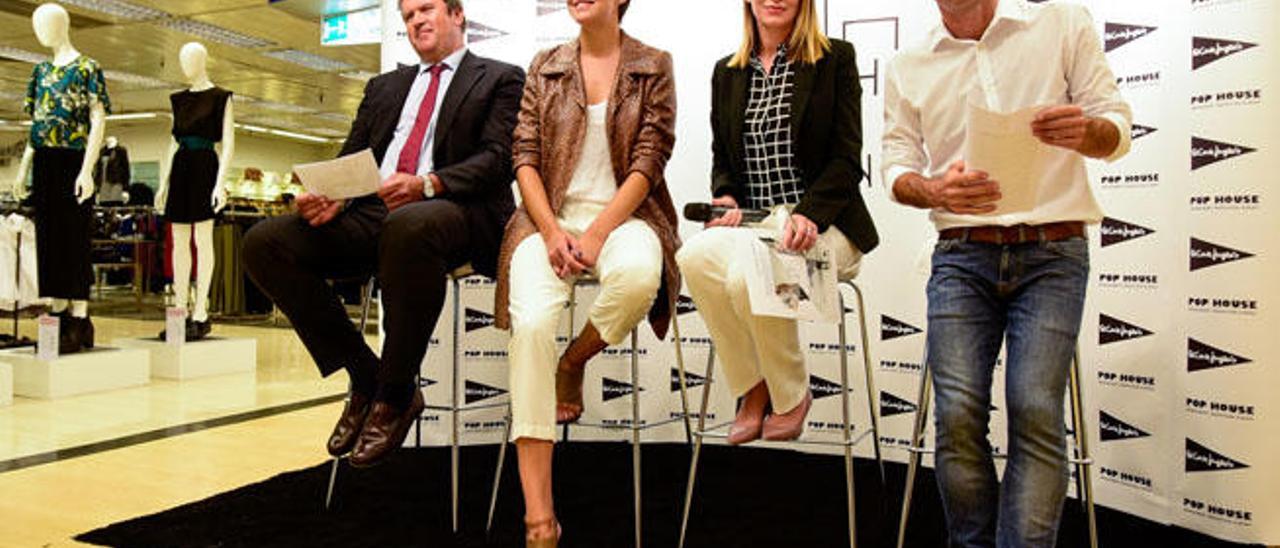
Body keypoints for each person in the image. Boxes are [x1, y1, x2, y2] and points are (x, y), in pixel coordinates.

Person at [881, 0, 1131, 545]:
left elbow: (1116, 127)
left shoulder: (1061, 22)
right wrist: (931, 189)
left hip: (1053, 252)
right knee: (958, 414)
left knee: (1035, 406)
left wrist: (1086, 133)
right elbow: (896, 164)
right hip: (960, 254)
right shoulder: (908, 62)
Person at [242, 0, 524, 468]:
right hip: (375, 214)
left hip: (456, 210)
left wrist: (428, 184)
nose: (417, 21)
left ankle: (393, 395)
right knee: (263, 242)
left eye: (427, 9)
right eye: (409, 15)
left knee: (409, 225)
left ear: (458, 16)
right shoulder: (384, 87)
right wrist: (329, 196)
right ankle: (366, 375)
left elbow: (498, 161)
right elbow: (349, 159)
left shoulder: (499, 77)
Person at [492, 0, 678, 544]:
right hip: (545, 222)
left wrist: (596, 233)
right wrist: (551, 231)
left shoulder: (653, 63)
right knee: (529, 329)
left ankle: (573, 360)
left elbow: (650, 159)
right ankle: (539, 515)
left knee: (642, 276)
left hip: (624, 219)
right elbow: (523, 156)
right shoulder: (545, 63)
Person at [676, 0, 878, 445]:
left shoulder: (834, 59)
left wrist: (810, 213)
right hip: (757, 223)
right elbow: (723, 157)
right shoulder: (728, 71)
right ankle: (753, 386)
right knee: (693, 256)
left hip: (828, 224)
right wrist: (725, 194)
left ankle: (791, 394)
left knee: (750, 270)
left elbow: (847, 159)